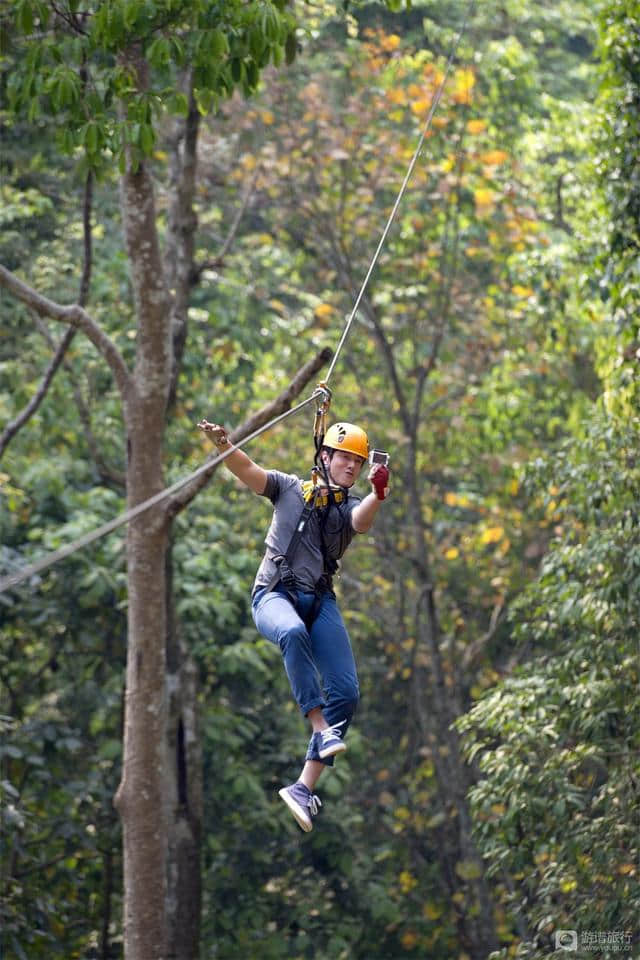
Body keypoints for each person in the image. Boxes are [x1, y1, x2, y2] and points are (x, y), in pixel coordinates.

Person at [197, 417, 390, 832]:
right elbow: (249, 471)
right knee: (290, 632)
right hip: (274, 596)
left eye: (357, 463)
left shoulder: (346, 508)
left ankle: (303, 787)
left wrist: (377, 492)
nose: (351, 468)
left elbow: (362, 521)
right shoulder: (288, 488)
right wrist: (224, 445)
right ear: (324, 457)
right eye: (345, 459)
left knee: (347, 692)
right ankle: (319, 727)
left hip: (319, 601)